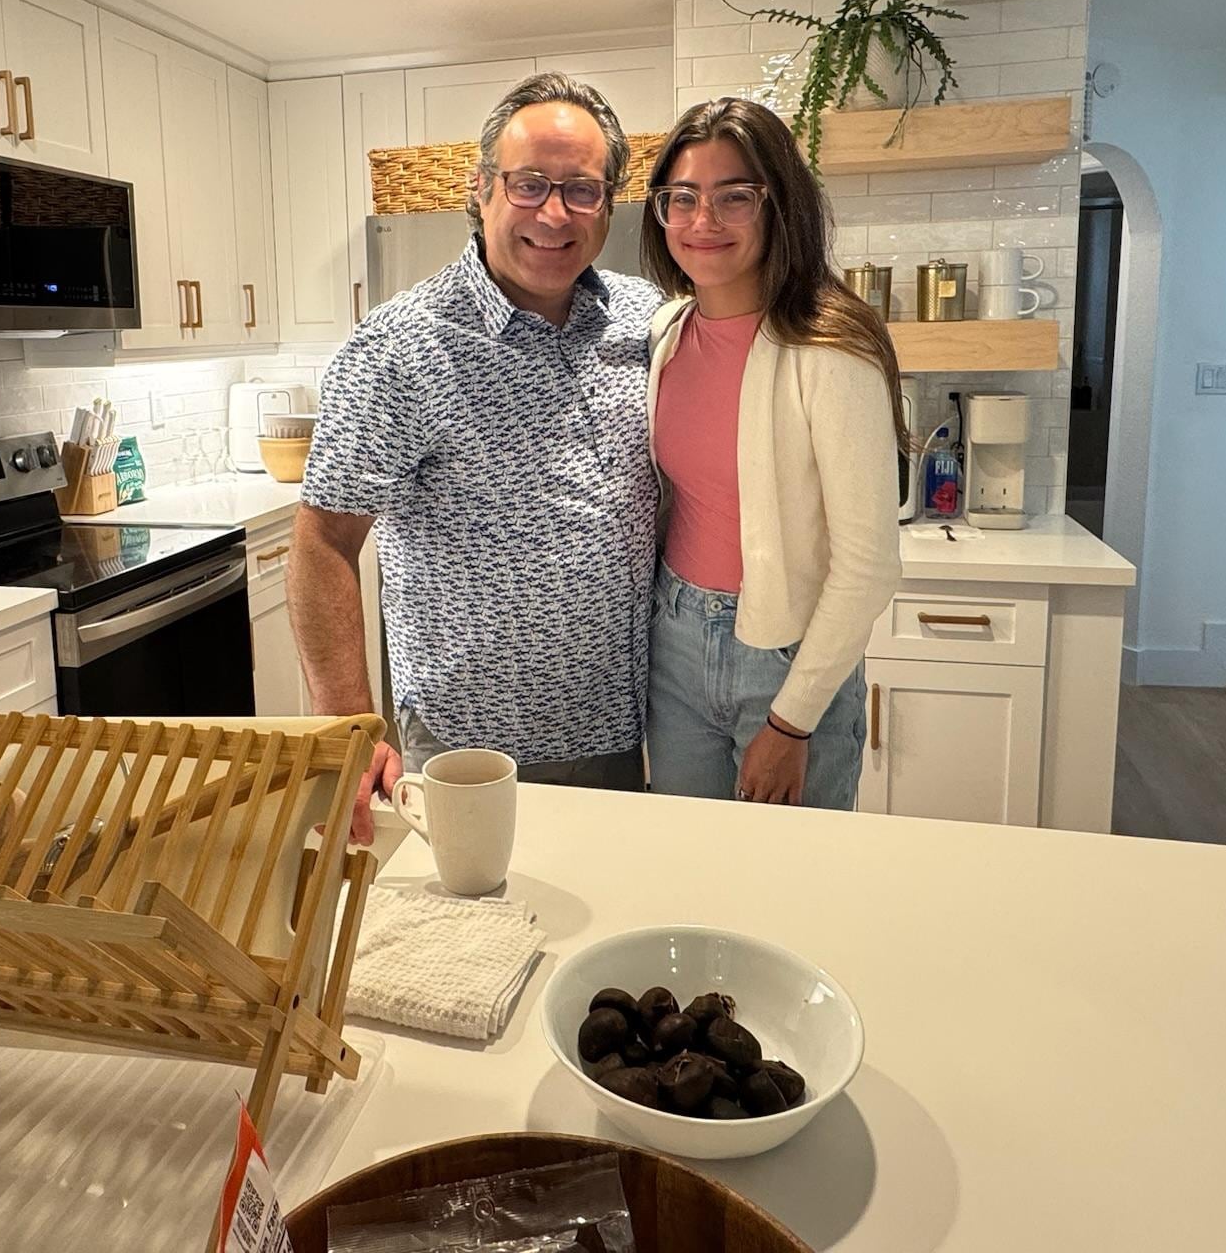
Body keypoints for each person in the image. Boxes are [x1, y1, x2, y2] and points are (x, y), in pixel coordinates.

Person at [289, 72, 664, 842]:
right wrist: (349, 725)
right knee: (468, 948)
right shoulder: (399, 347)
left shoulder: (647, 321)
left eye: (581, 190)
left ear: (609, 202)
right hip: (467, 749)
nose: (553, 214)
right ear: (483, 188)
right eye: (529, 185)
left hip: (626, 733)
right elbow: (324, 540)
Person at [641, 95, 905, 808]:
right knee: (692, 873)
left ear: (779, 204)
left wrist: (792, 722)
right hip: (675, 643)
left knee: (794, 887)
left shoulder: (829, 347)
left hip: (788, 657)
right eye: (683, 197)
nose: (703, 221)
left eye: (735, 197)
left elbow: (869, 564)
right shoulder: (666, 332)